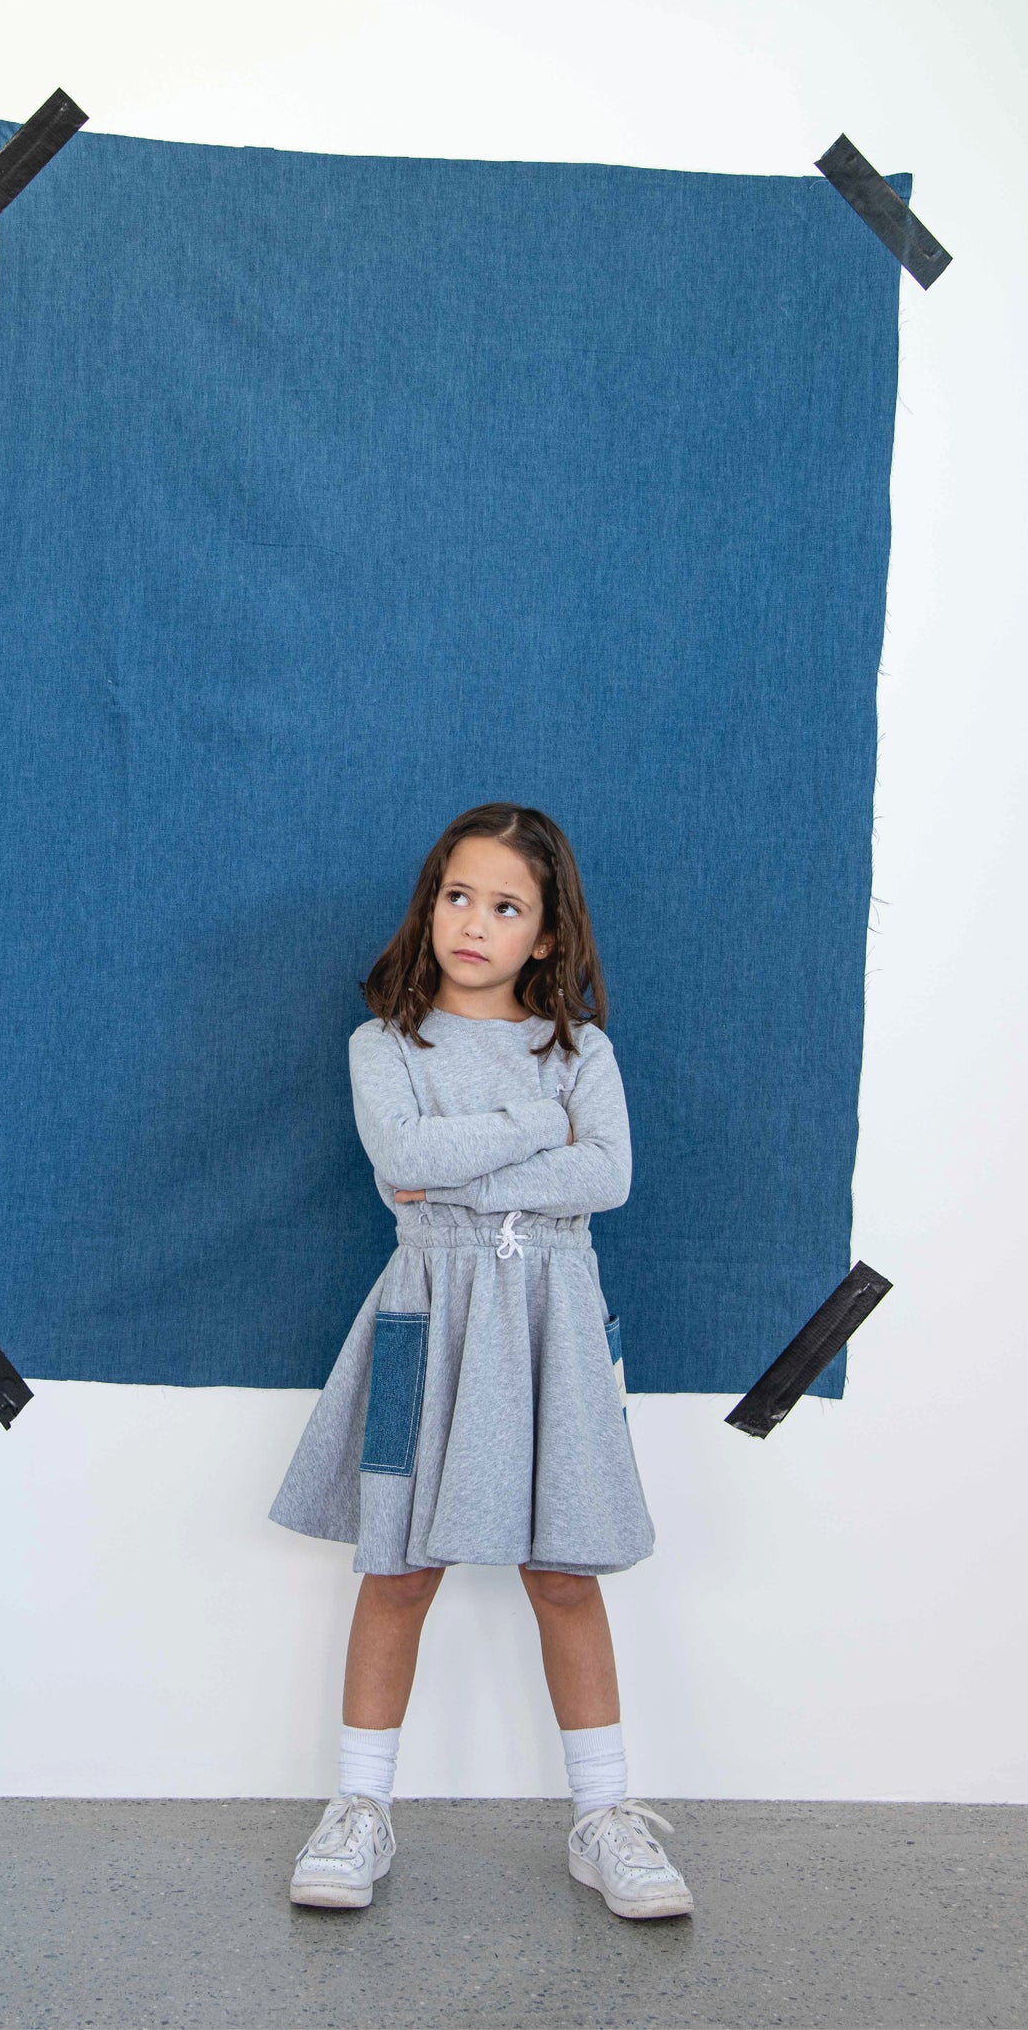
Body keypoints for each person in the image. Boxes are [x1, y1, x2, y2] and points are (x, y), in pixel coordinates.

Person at [269, 802, 692, 1921]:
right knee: (395, 1563)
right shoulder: (383, 1047)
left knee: (564, 1568)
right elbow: (401, 1157)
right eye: (457, 895)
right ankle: (360, 1807)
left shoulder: (580, 1051)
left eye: (505, 906)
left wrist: (474, 1163)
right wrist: (535, 1125)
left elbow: (606, 1177)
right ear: (429, 904)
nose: (473, 921)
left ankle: (603, 1816)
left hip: (549, 1319)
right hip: (426, 1313)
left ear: (544, 935)